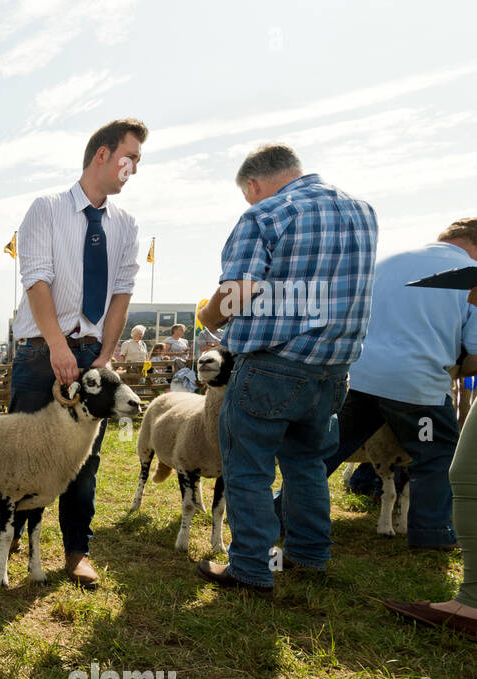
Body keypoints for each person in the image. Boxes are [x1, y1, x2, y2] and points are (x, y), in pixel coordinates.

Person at [196, 143, 377, 594]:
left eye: (249, 195)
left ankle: (251, 567)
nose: (251, 203)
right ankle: (310, 553)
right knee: (307, 463)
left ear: (253, 184)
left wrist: (208, 316)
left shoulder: (267, 215)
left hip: (274, 367)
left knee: (249, 468)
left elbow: (240, 287)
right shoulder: (363, 211)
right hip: (333, 369)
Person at [0, 118, 147, 589]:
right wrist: (55, 346)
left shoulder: (127, 226)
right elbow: (37, 279)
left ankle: (76, 550)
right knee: (17, 452)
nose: (134, 168)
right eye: (130, 157)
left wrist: (105, 356)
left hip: (92, 353)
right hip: (39, 353)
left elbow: (121, 297)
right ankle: (4, 541)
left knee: (80, 458)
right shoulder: (45, 210)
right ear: (102, 155)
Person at [284, 218, 477, 550]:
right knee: (435, 454)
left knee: (326, 451)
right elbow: (476, 354)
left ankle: (277, 513)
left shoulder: (387, 261)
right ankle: (432, 534)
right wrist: (455, 371)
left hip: (357, 377)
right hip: (418, 391)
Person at [387, 278, 477, 635]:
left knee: (462, 472)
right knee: (452, 466)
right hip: (422, 388)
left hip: (403, 384)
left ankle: (470, 600)